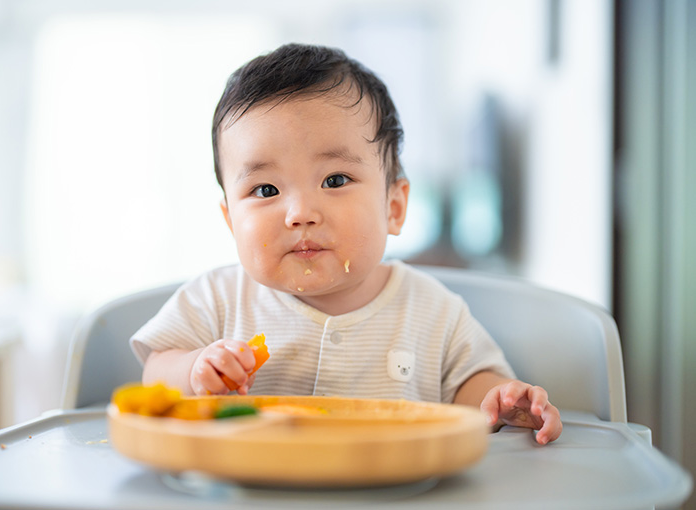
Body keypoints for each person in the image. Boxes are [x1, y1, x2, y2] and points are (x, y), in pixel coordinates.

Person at [131, 43, 562, 444]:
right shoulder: (217, 300)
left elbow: (472, 386)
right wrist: (193, 371)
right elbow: (155, 374)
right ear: (230, 220)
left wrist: (500, 401)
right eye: (265, 190)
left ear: (393, 207)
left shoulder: (433, 310)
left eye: (335, 180)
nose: (300, 212)